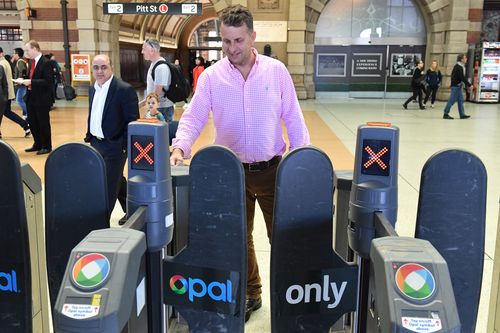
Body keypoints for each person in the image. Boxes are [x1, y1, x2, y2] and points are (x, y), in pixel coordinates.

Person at [170, 5, 310, 322]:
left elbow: (294, 118)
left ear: (252, 37)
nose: (232, 49)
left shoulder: (276, 72)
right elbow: (193, 117)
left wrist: (304, 159)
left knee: (283, 236)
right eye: (227, 41)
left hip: (274, 170)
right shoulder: (211, 77)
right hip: (231, 173)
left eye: (238, 41)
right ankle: (252, 293)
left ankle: (291, 294)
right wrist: (180, 146)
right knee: (239, 238)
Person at [84, 54, 139, 216]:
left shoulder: (124, 90)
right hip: (96, 143)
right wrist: (89, 136)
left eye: (103, 67)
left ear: (111, 68)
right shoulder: (92, 89)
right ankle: (134, 211)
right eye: (96, 67)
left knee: (107, 185)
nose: (99, 71)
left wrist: (123, 147)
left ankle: (101, 221)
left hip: (115, 146)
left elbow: (132, 121)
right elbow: (93, 113)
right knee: (116, 179)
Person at [20, 40, 53, 154]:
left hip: (42, 99)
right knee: (33, 122)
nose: (26, 52)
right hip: (31, 97)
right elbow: (31, 76)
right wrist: (23, 80)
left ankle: (46, 146)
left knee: (43, 122)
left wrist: (31, 81)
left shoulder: (46, 62)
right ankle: (37, 143)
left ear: (35, 49)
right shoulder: (31, 62)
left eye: (27, 50)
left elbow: (48, 82)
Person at [0, 47, 31, 140]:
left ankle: (26, 124)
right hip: (6, 93)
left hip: (4, 94)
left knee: (7, 111)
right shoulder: (5, 62)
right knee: (7, 112)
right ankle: (26, 125)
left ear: (1, 53)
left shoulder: (2, 64)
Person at [140, 38, 174, 121]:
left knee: (162, 133)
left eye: (144, 49)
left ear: (152, 50)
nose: (142, 52)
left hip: (162, 109)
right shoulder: (154, 64)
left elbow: (156, 94)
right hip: (156, 106)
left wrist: (141, 105)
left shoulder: (161, 67)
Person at [443, 53, 471, 119]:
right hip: (456, 87)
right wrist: (469, 85)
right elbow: (462, 78)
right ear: (461, 59)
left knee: (460, 100)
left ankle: (462, 114)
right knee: (451, 100)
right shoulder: (458, 67)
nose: (466, 59)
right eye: (465, 58)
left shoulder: (461, 66)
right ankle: (445, 114)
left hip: (458, 86)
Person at [11, 48, 28, 119]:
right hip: (21, 85)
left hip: (22, 85)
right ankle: (26, 113)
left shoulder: (20, 62)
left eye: (13, 53)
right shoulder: (20, 61)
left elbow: (23, 71)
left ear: (17, 54)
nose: (13, 55)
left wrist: (19, 80)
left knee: (19, 100)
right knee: (21, 100)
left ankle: (28, 113)